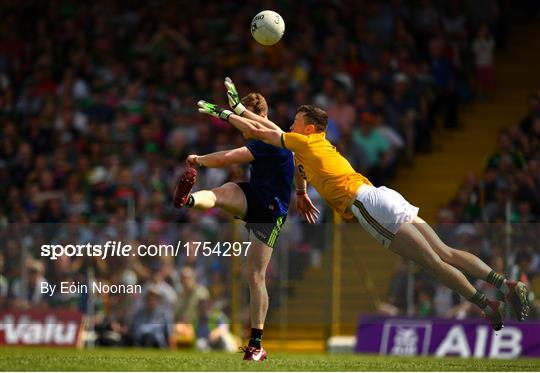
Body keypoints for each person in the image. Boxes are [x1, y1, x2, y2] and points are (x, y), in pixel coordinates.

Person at [196, 91, 530, 331]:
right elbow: (282, 148)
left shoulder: (303, 141)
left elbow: (261, 131)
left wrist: (226, 112)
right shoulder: (313, 146)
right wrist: (301, 193)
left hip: (366, 204)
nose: (292, 127)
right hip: (383, 196)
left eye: (296, 123)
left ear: (309, 127)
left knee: (432, 262)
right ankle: (507, 284)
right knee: (444, 250)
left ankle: (488, 306)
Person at [174, 83, 303, 361]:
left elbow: (226, 157)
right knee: (225, 192)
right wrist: (302, 192)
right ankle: (189, 200)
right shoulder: (274, 134)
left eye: (242, 124)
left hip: (270, 213)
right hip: (256, 195)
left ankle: (256, 344)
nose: (242, 131)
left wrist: (198, 159)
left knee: (255, 275)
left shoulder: (268, 140)